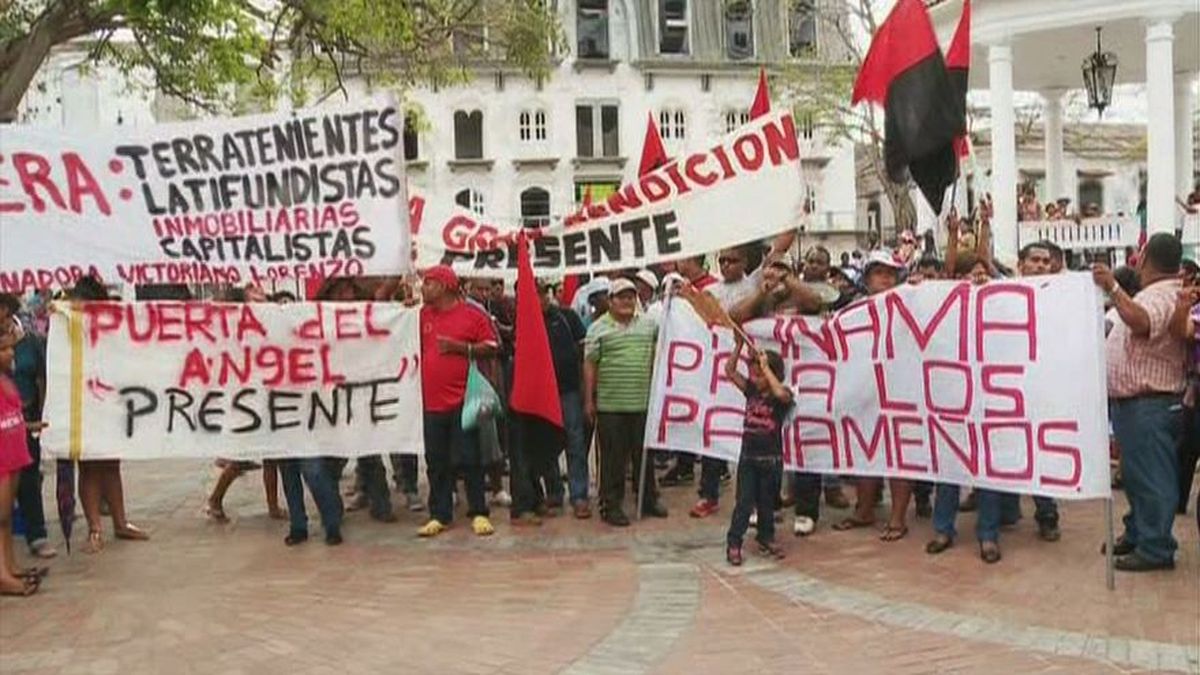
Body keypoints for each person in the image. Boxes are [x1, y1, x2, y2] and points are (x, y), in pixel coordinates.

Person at [1097, 233, 1188, 572]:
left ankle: (1156, 548)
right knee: (1136, 476)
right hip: (1135, 404)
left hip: (1150, 404)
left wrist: (1113, 288)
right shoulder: (1154, 294)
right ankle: (1138, 533)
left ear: (1145, 256)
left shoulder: (1164, 295)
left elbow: (1141, 322)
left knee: (1152, 478)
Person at [833, 251, 913, 542]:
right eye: (879, 272)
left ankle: (897, 518)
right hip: (864, 389)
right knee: (864, 450)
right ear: (867, 278)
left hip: (899, 390)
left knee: (898, 455)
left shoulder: (909, 304)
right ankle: (864, 509)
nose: (886, 278)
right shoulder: (852, 309)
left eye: (891, 273)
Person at [417, 265, 500, 538]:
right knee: (436, 460)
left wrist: (459, 348)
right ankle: (439, 514)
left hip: (464, 400)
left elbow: (492, 346)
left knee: (470, 458)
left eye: (428, 283)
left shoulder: (473, 315)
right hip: (430, 402)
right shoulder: (420, 315)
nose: (423, 288)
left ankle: (478, 511)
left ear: (444, 286)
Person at [71, 276, 149, 554]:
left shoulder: (111, 326)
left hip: (108, 401)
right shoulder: (65, 325)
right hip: (80, 404)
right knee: (89, 466)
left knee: (111, 465)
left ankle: (120, 522)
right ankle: (95, 528)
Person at [584, 278, 667, 526]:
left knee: (644, 456)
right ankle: (611, 505)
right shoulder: (597, 329)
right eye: (621, 297)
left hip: (642, 403)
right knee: (613, 460)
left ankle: (648, 499)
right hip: (611, 406)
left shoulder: (649, 326)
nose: (627, 301)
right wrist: (589, 400)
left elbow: (660, 352)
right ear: (610, 301)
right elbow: (589, 365)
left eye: (631, 296)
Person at [724, 339, 794, 566]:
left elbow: (781, 394)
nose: (754, 378)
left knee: (767, 503)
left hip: (771, 461)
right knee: (744, 503)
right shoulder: (751, 390)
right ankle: (734, 542)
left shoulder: (782, 397)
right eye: (753, 374)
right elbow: (730, 371)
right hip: (748, 459)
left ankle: (766, 536)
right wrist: (737, 347)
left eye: (760, 374)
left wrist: (766, 368)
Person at [0, 293, 56, 560]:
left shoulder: (30, 341)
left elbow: (41, 378)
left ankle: (37, 534)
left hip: (25, 419)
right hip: (6, 422)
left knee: (29, 478)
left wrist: (40, 414)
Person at [1, 327, 42, 596]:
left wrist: (30, 425)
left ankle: (10, 565)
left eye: (10, 347)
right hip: (2, 454)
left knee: (4, 518)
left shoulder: (7, 379)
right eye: (3, 349)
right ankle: (2, 576)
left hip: (15, 449)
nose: (10, 353)